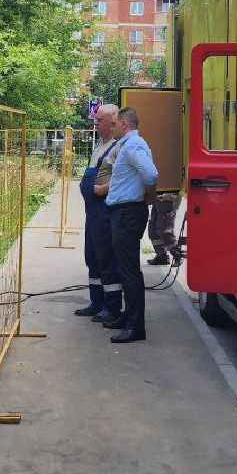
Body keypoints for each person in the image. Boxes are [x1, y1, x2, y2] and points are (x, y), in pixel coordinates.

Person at [101, 106, 158, 344]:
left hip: (127, 214)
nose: (110, 127)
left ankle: (135, 326)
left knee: (129, 271)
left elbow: (151, 175)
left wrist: (145, 197)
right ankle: (128, 317)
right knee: (127, 269)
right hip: (124, 213)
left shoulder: (133, 146)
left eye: (114, 124)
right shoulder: (129, 145)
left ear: (125, 124)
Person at [76, 104, 123, 320]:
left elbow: (123, 177)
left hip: (104, 211)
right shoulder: (100, 144)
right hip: (91, 212)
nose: (96, 124)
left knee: (107, 259)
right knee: (92, 257)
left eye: (99, 120)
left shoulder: (118, 146)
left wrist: (102, 189)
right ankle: (96, 302)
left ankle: (111, 306)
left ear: (112, 122)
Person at [146, 193, 181, 267]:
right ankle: (162, 256)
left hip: (168, 197)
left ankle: (178, 255)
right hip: (157, 196)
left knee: (164, 230)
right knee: (153, 230)